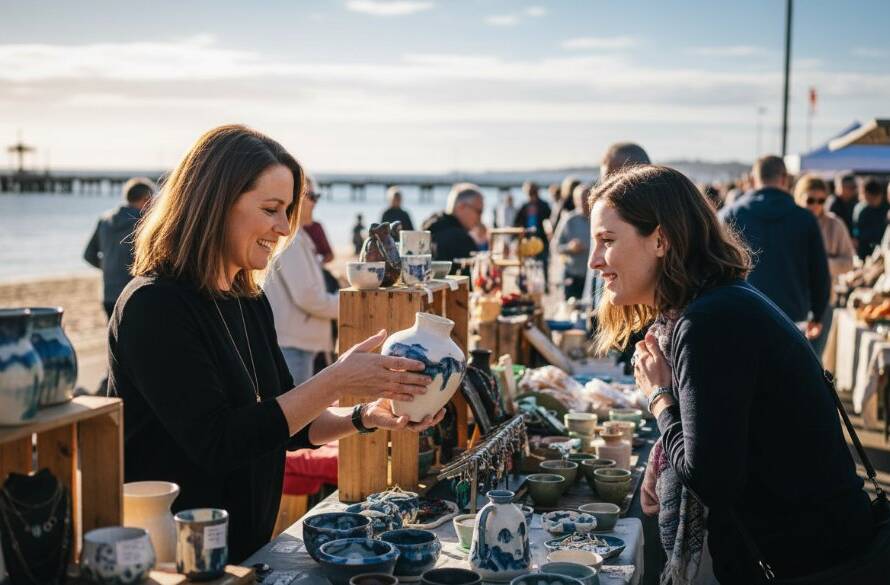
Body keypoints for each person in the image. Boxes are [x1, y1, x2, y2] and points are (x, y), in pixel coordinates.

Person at [109, 125, 442, 563]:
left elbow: (292, 423)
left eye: (287, 211)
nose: (284, 228)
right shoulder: (155, 305)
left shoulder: (249, 299)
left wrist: (365, 415)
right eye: (271, 209)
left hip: (248, 552)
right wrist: (333, 379)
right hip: (177, 559)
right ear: (214, 203)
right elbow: (218, 443)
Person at [591, 164, 873, 584]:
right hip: (821, 543)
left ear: (662, 239)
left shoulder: (707, 322)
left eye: (608, 241)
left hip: (811, 560)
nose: (594, 260)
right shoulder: (721, 301)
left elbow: (711, 478)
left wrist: (659, 397)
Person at [719, 155, 829, 340]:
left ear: (753, 180)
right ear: (785, 179)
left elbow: (713, 271)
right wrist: (817, 315)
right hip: (792, 321)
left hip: (740, 317)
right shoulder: (805, 219)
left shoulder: (729, 216)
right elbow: (820, 273)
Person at [264, 176, 340, 385]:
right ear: (294, 200)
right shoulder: (292, 241)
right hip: (295, 345)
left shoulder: (298, 237)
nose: (315, 202)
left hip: (299, 342)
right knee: (299, 415)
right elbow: (309, 297)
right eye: (312, 196)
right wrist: (349, 304)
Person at [793, 174, 855, 357]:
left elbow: (849, 262)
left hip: (824, 301)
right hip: (794, 299)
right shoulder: (792, 224)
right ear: (799, 197)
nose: (816, 205)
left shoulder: (835, 224)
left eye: (821, 200)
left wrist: (821, 263)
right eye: (811, 200)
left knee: (814, 357)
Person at [83, 177, 156, 317]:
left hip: (109, 294)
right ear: (146, 199)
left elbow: (88, 255)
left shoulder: (105, 220)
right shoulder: (144, 223)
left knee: (113, 337)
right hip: (135, 293)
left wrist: (108, 266)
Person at [422, 182, 484, 265]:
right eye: (479, 211)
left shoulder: (429, 228)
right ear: (462, 207)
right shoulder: (461, 239)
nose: (480, 218)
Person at [553, 182, 590, 299]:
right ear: (575, 201)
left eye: (587, 198)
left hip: (593, 277)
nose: (584, 202)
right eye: (580, 199)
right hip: (572, 275)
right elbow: (555, 246)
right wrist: (570, 247)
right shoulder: (568, 220)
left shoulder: (599, 218)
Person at [514, 181, 551, 286]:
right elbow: (517, 222)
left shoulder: (544, 205)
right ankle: (528, 284)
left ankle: (544, 284)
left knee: (543, 263)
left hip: (542, 239)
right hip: (528, 240)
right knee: (528, 264)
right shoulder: (524, 206)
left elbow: (550, 222)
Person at [853, 177, 889, 260]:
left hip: (883, 251)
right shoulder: (861, 210)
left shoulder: (886, 208)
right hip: (865, 252)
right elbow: (856, 232)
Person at [299, 187, 334, 265]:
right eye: (311, 197)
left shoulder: (317, 227)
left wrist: (318, 264)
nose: (314, 202)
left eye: (315, 197)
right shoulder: (288, 229)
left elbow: (330, 255)